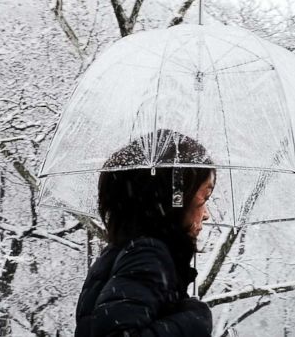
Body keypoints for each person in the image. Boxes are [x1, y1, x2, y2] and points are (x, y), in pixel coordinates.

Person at [74, 131, 216, 337]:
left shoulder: (125, 252)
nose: (207, 215)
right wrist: (194, 322)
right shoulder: (147, 255)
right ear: (175, 199)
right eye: (205, 196)